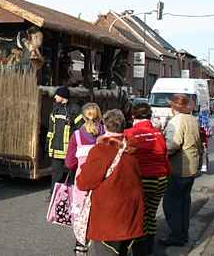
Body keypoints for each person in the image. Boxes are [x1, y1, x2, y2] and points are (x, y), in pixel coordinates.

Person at [75, 109, 145, 256]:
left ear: (105, 126)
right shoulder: (132, 148)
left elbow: (84, 183)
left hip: (109, 214)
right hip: (131, 211)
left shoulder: (100, 150)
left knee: (106, 251)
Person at [124, 103, 170, 255]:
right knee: (151, 214)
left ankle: (140, 251)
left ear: (133, 117)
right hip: (161, 178)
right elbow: (165, 156)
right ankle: (149, 248)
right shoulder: (158, 133)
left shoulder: (129, 133)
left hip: (143, 178)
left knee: (140, 216)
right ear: (150, 117)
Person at [161, 94, 203, 247]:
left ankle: (176, 236)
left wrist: (161, 151)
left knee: (171, 204)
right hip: (191, 166)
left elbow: (173, 144)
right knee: (184, 202)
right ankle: (183, 233)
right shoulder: (192, 119)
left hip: (178, 167)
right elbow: (199, 143)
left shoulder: (177, 120)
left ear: (174, 107)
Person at [64, 102, 104, 255]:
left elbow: (69, 162)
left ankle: (81, 247)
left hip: (82, 183)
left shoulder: (77, 135)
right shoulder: (104, 134)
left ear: (83, 116)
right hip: (101, 182)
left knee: (81, 217)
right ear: (99, 116)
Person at [47, 86, 82, 194]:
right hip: (56, 148)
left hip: (69, 148)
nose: (55, 97)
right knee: (56, 172)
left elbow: (80, 128)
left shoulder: (75, 110)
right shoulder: (55, 109)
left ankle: (70, 194)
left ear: (63, 96)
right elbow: (51, 129)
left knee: (71, 172)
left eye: (57, 95)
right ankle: (54, 193)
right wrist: (48, 143)